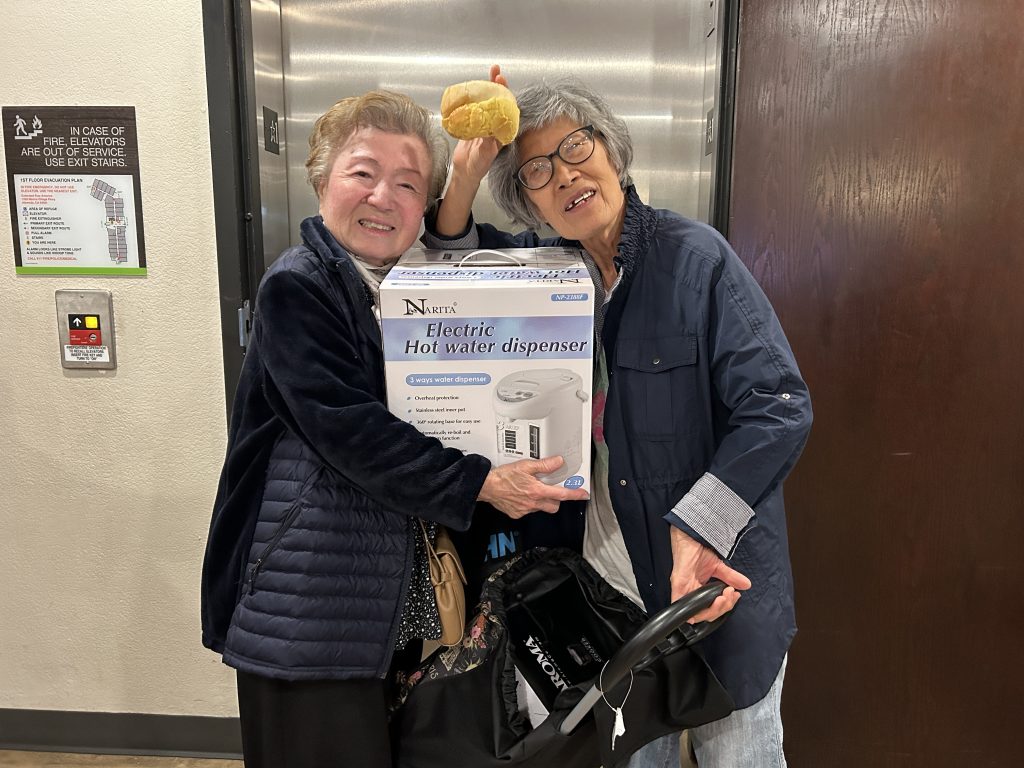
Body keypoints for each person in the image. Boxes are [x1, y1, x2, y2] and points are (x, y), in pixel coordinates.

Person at [424, 67, 813, 768]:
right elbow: (452, 262)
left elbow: (778, 408)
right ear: (528, 205)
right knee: (639, 760)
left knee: (742, 755)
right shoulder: (550, 278)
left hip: (715, 585)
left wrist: (701, 524)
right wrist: (469, 168)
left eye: (575, 147)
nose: (564, 175)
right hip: (614, 592)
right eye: (536, 171)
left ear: (610, 147)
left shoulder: (696, 261)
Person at [200, 90, 587, 768]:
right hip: (311, 606)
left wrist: (465, 176)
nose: (383, 197)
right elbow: (354, 433)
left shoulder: (408, 282)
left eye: (408, 184)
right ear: (321, 181)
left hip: (391, 610)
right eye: (362, 173)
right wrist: (483, 483)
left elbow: (459, 246)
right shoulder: (299, 288)